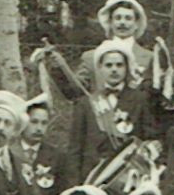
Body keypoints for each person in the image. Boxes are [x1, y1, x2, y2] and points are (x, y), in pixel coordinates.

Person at [68, 39, 160, 180]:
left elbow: (150, 137)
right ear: (100, 68)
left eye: (119, 65)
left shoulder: (140, 99)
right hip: (93, 176)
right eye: (109, 65)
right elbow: (75, 149)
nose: (114, 69)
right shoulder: (85, 103)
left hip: (128, 175)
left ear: (126, 68)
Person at [80, 0, 154, 89]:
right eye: (118, 18)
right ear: (110, 22)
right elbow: (77, 90)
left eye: (128, 18)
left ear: (136, 24)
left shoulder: (150, 58)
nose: (122, 22)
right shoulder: (90, 57)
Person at [18, 92, 72, 195]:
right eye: (34, 122)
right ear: (23, 123)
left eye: (44, 123)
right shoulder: (8, 153)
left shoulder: (58, 157)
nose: (39, 128)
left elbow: (66, 194)